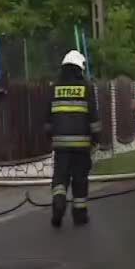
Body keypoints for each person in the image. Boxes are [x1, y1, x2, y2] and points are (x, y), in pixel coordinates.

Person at [46, 50, 102, 228]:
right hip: (81, 143)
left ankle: (59, 199)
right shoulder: (86, 87)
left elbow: (47, 117)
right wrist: (96, 138)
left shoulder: (54, 87)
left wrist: (49, 135)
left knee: (60, 177)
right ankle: (79, 214)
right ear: (79, 68)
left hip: (60, 143)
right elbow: (93, 116)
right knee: (80, 178)